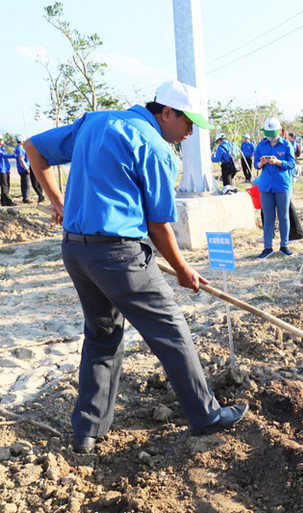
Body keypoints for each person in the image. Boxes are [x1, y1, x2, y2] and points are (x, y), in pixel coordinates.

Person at [23, 80, 248, 454]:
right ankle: (206, 416)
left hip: (76, 251)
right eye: (187, 123)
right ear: (166, 113)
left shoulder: (94, 122)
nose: (190, 133)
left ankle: (87, 431)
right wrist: (183, 269)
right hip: (118, 256)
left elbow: (34, 148)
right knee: (172, 331)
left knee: (102, 335)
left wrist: (59, 202)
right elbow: (160, 227)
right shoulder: (158, 149)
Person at [253, 117, 296, 259]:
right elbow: (256, 165)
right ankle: (267, 247)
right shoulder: (261, 145)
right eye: (268, 133)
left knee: (283, 216)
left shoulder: (286, 145)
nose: (271, 136)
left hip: (282, 185)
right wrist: (262, 163)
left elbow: (291, 164)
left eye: (273, 133)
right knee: (268, 217)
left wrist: (277, 162)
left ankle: (284, 245)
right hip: (266, 186)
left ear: (279, 131)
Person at [0, 137, 17, 206]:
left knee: (7, 185)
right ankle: (8, 201)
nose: (3, 141)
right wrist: (16, 156)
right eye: (2, 140)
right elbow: (4, 155)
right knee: (4, 186)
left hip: (5, 169)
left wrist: (8, 169)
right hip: (1, 170)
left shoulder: (2, 148)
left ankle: (3, 201)